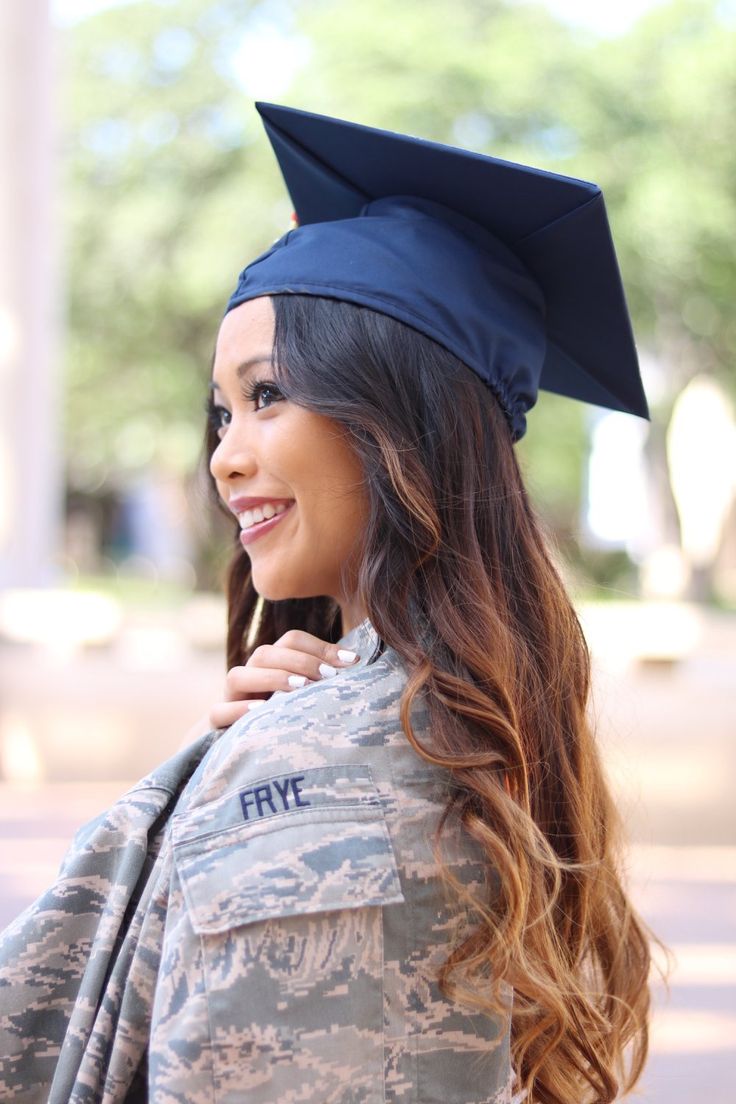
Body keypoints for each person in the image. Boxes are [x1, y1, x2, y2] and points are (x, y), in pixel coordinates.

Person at [0, 104, 654, 1104]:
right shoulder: (462, 738)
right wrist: (225, 769)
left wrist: (275, 772)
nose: (225, 455)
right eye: (222, 411)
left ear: (401, 421)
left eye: (268, 396)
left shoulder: (342, 768)